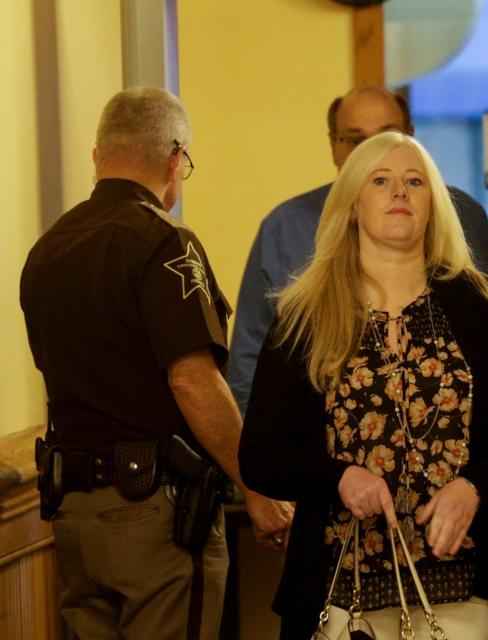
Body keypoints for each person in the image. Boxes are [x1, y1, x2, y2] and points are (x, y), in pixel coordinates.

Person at [238, 131, 488, 640]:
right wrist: (339, 477)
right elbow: (260, 455)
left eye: (414, 182)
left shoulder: (481, 308)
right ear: (353, 205)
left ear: (433, 205)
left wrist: (474, 487)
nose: (399, 192)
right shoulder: (305, 317)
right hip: (343, 593)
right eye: (380, 181)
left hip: (464, 590)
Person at [19, 87, 293, 640]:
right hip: (153, 520)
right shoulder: (165, 243)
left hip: (71, 517)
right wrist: (259, 492)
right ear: (176, 160)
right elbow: (193, 379)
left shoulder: (46, 251)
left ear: (98, 157)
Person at [228, 85, 488, 414]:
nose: (375, 153)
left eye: (388, 136)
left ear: (412, 138)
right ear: (334, 145)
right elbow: (249, 367)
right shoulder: (284, 229)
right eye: (356, 140)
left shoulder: (464, 217)